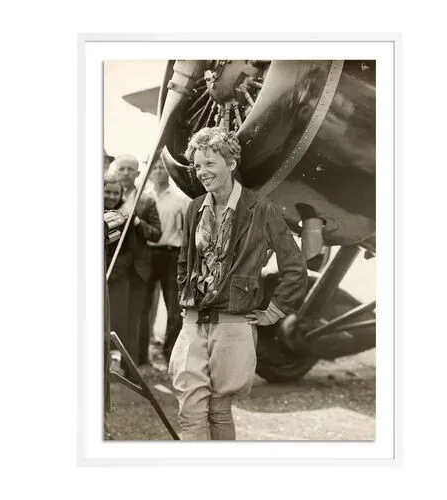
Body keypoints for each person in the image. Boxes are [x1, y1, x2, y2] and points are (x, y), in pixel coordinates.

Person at [169, 127, 307, 440]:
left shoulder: (262, 210)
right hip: (193, 322)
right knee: (189, 411)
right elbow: (183, 263)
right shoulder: (194, 209)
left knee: (219, 410)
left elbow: (294, 267)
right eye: (198, 165)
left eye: (209, 164)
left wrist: (274, 312)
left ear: (231, 164)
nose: (201, 172)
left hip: (233, 326)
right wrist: (184, 299)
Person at [107, 155, 162, 380]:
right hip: (113, 270)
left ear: (138, 173)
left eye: (131, 169)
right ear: (115, 171)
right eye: (122, 168)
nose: (126, 173)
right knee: (109, 320)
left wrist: (139, 222)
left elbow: (156, 234)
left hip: (137, 270)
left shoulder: (146, 201)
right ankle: (104, 369)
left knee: (133, 321)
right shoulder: (107, 196)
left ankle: (131, 369)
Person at [139, 158, 191, 365]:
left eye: (162, 167)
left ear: (168, 171)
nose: (159, 171)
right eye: (155, 168)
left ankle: (171, 354)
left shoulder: (180, 198)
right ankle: (140, 355)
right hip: (148, 255)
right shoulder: (143, 198)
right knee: (143, 306)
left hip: (172, 255)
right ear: (149, 172)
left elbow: (189, 229)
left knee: (175, 308)